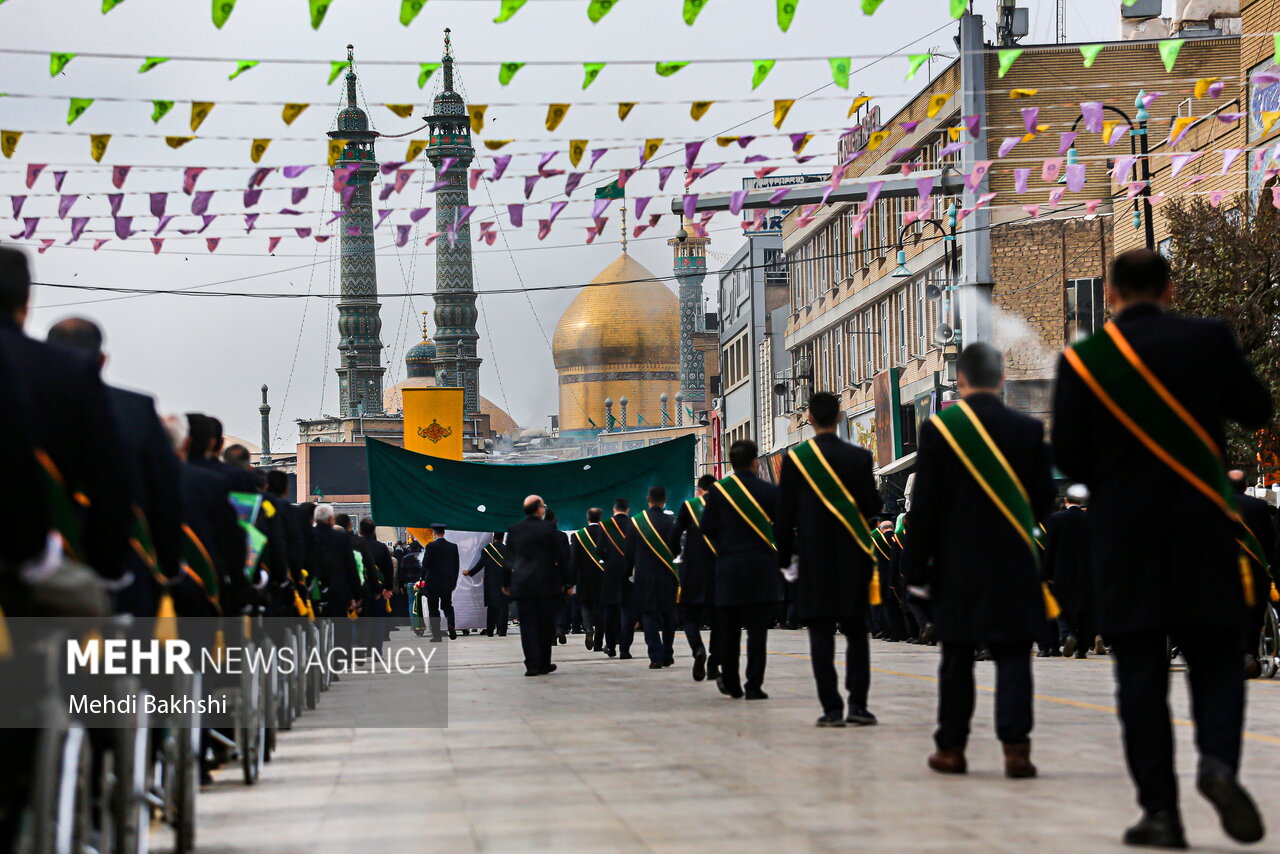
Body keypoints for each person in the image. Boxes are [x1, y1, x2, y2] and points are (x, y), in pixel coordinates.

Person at [1053, 249, 1270, 848]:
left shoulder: (1083, 360)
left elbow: (1068, 457)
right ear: (1170, 289)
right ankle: (1219, 765)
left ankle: (1160, 813)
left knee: (1141, 676)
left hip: (1126, 540)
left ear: (1113, 297)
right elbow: (1258, 409)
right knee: (1217, 659)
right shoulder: (1209, 339)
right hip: (1203, 531)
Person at [904, 343, 1055, 779]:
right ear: (1002, 379)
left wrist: (915, 568)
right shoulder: (1027, 430)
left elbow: (925, 507)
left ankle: (951, 749)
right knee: (1013, 658)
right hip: (1014, 563)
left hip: (958, 565)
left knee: (957, 659)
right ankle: (1017, 751)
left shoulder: (939, 429)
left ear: (961, 381)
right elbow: (1044, 501)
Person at [0, 247, 132, 582]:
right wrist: (106, 570)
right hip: (32, 564)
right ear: (26, 300)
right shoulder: (66, 369)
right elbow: (107, 481)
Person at [46, 316, 184, 617]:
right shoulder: (136, 409)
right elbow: (164, 495)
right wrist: (169, 566)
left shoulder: (24, 399)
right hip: (124, 565)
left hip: (41, 563)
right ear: (102, 359)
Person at [776, 391, 883, 727]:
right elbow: (872, 508)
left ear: (809, 419)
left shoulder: (796, 459)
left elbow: (784, 516)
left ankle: (832, 709)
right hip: (853, 558)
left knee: (821, 635)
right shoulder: (860, 458)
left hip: (813, 561)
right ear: (839, 417)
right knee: (855, 632)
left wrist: (785, 558)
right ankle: (859, 706)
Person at [701, 439, 780, 700]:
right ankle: (754, 686)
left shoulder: (718, 493)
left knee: (730, 630)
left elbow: (707, 529)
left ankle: (732, 683)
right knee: (758, 632)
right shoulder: (768, 491)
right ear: (755, 461)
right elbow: (781, 526)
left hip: (729, 569)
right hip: (761, 569)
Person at [504, 495, 573, 676]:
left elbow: (508, 561)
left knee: (527, 626)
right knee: (545, 625)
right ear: (539, 510)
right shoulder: (549, 528)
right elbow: (561, 558)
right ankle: (544, 663)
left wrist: (506, 583)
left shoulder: (514, 530)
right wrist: (568, 582)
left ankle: (531, 665)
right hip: (547, 585)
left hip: (523, 586)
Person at [669, 475, 719, 682]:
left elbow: (674, 536)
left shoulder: (689, 507)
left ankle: (697, 649)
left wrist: (678, 556)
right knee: (719, 620)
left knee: (689, 617)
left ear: (699, 490)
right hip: (719, 571)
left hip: (692, 571)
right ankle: (715, 664)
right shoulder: (725, 506)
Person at [1043, 485, 1095, 659]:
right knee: (1085, 610)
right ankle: (1082, 648)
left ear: (1065, 500)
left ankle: (1067, 635)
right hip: (1086, 572)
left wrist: (1048, 572)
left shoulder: (1056, 519)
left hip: (1061, 572)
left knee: (1060, 607)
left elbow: (1050, 548)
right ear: (1082, 502)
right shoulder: (1091, 519)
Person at [630, 486, 679, 669]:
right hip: (668, 575)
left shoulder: (637, 522)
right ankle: (668, 653)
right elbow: (678, 549)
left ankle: (655, 656)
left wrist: (628, 573)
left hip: (644, 577)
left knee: (649, 615)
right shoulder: (672, 521)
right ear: (664, 500)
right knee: (668, 616)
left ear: (648, 500)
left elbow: (630, 553)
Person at [312, 504, 362, 655]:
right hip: (338, 589)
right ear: (330, 519)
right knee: (340, 625)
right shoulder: (341, 537)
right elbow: (350, 567)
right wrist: (356, 594)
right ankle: (340, 656)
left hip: (316, 588)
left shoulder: (308, 535)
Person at [599, 497, 634, 658]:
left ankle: (611, 646)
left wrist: (610, 560)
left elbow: (599, 550)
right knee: (628, 612)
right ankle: (625, 649)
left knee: (610, 612)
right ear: (627, 510)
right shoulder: (633, 524)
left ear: (614, 509)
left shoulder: (605, 526)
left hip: (611, 574)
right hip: (629, 573)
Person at [570, 509, 608, 652]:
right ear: (600, 518)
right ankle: (598, 643)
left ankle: (588, 628)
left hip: (584, 579)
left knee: (585, 606)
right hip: (602, 578)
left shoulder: (578, 536)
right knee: (600, 609)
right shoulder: (606, 533)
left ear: (587, 518)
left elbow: (573, 561)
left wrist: (571, 582)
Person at [463, 532, 510, 636]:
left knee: (492, 607)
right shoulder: (508, 549)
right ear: (503, 537)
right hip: (505, 582)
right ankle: (502, 631)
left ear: (494, 538)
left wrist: (469, 572)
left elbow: (480, 565)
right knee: (503, 606)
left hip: (490, 582)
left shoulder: (487, 550)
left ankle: (490, 631)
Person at [359, 517, 394, 653]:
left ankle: (362, 648)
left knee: (362, 620)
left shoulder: (355, 545)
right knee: (377, 620)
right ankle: (376, 650)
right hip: (379, 590)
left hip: (360, 589)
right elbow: (388, 569)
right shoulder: (381, 547)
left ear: (360, 530)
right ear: (374, 531)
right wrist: (388, 588)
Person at [423, 524, 460, 642]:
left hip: (433, 582)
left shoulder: (430, 546)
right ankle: (451, 625)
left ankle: (437, 635)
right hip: (447, 583)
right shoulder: (453, 547)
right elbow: (456, 566)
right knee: (447, 605)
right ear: (444, 533)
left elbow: (425, 564)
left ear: (434, 533)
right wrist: (453, 582)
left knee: (433, 609)